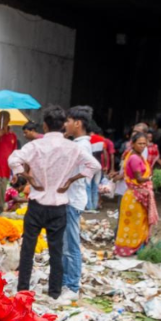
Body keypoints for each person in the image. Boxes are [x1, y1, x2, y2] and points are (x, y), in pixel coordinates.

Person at [8, 107, 96, 300]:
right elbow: (94, 166)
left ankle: (23, 289)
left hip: (37, 204)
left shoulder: (35, 146)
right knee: (56, 251)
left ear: (45, 125)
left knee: (27, 249)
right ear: (63, 125)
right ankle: (54, 292)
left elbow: (13, 159)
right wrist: (71, 180)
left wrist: (28, 177)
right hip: (59, 206)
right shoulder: (72, 147)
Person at [59, 106, 101, 294]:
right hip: (69, 200)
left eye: (68, 121)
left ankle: (72, 285)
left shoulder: (81, 146)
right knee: (66, 244)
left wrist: (70, 180)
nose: (65, 124)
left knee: (71, 245)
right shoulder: (77, 143)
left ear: (77, 123)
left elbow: (94, 165)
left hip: (72, 200)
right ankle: (66, 281)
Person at [114, 131, 161, 257]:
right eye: (139, 143)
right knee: (134, 224)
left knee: (139, 223)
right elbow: (139, 179)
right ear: (132, 144)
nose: (142, 146)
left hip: (136, 196)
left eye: (144, 144)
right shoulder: (134, 158)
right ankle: (131, 248)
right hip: (134, 197)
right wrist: (151, 178)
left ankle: (138, 247)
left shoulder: (137, 156)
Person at [0, 111, 20, 217]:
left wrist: (15, 172)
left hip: (5, 171)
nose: (2, 120)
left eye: (5, 118)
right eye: (0, 117)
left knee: (1, 199)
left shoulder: (13, 136)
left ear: (9, 120)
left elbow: (14, 155)